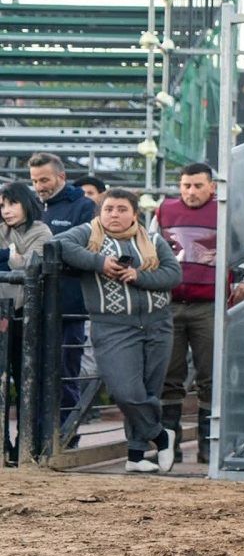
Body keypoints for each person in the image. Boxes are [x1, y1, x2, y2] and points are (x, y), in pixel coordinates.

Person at [57, 188, 182, 473]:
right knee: (125, 391)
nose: (114, 214)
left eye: (122, 209)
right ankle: (161, 436)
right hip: (112, 326)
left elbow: (173, 275)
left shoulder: (153, 239)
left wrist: (139, 276)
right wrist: (99, 262)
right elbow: (58, 245)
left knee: (149, 389)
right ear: (100, 212)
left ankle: (136, 455)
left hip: (158, 323)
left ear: (134, 214)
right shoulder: (87, 235)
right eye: (109, 208)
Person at [153, 162, 220, 463]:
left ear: (212, 187)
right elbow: (150, 249)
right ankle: (170, 446)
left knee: (210, 375)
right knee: (170, 375)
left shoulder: (224, 211)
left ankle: (208, 446)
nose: (191, 192)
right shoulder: (164, 211)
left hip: (209, 305)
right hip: (171, 303)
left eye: (197, 186)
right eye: (185, 186)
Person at [29, 153, 95, 423]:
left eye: (44, 179)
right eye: (34, 180)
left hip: (69, 307)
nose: (39, 186)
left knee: (65, 372)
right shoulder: (31, 206)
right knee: (33, 374)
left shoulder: (84, 207)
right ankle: (33, 438)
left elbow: (85, 250)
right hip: (33, 305)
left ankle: (66, 438)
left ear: (61, 177)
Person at [0, 182, 52, 464]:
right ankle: (3, 445)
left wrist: (10, 258)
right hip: (1, 314)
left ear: (25, 203)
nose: (6, 211)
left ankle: (25, 445)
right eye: (2, 205)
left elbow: (32, 265)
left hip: (27, 317)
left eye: (11, 204)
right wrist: (11, 256)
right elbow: (17, 262)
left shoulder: (41, 231)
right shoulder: (2, 229)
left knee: (26, 383)